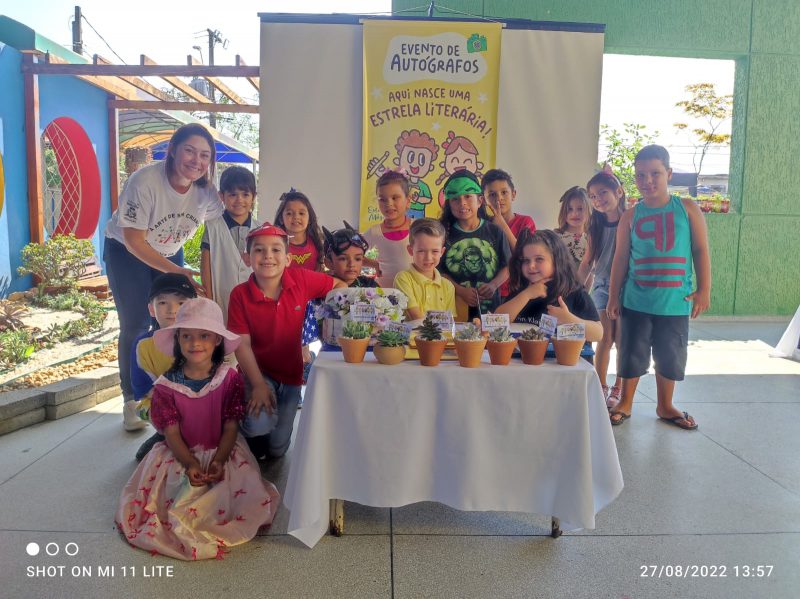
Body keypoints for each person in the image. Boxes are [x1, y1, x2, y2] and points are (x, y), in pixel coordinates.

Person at [115, 298, 280, 560]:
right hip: (179, 453)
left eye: (204, 335)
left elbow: (230, 425)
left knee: (237, 493)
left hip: (222, 449)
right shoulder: (166, 386)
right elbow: (171, 433)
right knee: (168, 501)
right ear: (177, 340)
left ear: (216, 340)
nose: (195, 343)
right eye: (187, 336)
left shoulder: (229, 378)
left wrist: (220, 459)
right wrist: (191, 463)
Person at [103, 123, 223, 431]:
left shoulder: (206, 192)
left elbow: (225, 226)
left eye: (205, 155)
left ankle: (174, 389)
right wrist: (177, 271)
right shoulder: (144, 181)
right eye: (190, 151)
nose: (196, 160)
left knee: (176, 321)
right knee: (136, 323)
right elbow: (134, 240)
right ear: (172, 150)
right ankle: (133, 399)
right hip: (127, 252)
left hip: (171, 254)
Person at [607, 145, 711, 429]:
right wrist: (613, 296)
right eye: (641, 175)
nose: (647, 181)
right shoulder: (630, 216)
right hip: (635, 301)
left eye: (655, 173)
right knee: (631, 354)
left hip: (674, 302)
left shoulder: (687, 209)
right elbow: (620, 259)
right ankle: (625, 402)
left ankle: (665, 406)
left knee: (670, 356)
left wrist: (704, 289)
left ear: (669, 174)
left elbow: (701, 250)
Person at [227, 224, 347, 460]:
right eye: (259, 250)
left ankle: (266, 437)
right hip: (257, 372)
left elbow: (339, 287)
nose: (268, 256)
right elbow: (241, 344)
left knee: (278, 450)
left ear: (288, 258)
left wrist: (329, 319)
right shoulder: (239, 294)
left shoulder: (301, 279)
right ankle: (241, 430)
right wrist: (259, 384)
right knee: (258, 425)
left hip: (292, 375)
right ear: (247, 258)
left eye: (275, 250)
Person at [496, 229, 602, 355]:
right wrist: (526, 295)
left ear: (557, 261)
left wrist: (570, 319)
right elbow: (497, 321)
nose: (531, 266)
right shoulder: (521, 290)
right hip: (525, 364)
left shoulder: (573, 291)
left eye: (539, 259)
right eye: (526, 260)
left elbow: (598, 333)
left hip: (565, 366)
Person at [130, 273, 196, 459]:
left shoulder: (202, 339)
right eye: (162, 303)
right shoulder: (143, 345)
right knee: (157, 412)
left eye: (181, 303)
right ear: (151, 309)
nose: (172, 310)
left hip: (199, 398)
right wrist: (176, 400)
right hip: (161, 400)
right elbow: (143, 387)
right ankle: (163, 436)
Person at [578, 168, 627, 408]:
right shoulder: (595, 226)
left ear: (619, 191)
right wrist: (575, 287)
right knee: (604, 338)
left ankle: (619, 387)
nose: (598, 200)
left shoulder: (631, 219)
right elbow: (588, 261)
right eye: (593, 196)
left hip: (629, 288)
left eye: (603, 193)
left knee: (622, 340)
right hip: (602, 286)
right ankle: (601, 385)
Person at [438, 170, 510, 321]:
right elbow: (438, 270)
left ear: (480, 200)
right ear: (449, 204)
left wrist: (493, 285)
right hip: (456, 311)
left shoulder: (495, 231)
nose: (462, 203)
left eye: (468, 196)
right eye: (455, 199)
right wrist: (460, 290)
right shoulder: (443, 233)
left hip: (491, 312)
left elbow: (508, 266)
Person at [199, 166, 260, 324]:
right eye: (233, 194)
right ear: (221, 196)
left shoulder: (260, 229)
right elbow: (205, 267)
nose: (239, 200)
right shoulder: (212, 227)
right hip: (222, 297)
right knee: (226, 340)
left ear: (254, 197)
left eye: (245, 194)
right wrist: (209, 299)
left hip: (255, 298)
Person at [481, 168, 537, 299]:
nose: (499, 198)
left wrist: (502, 224)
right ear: (483, 199)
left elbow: (524, 255)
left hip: (517, 291)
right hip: (489, 291)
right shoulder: (483, 224)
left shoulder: (526, 222)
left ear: (513, 194)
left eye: (504, 192)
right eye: (492, 194)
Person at [394, 218, 456, 320]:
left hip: (441, 335)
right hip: (412, 335)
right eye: (421, 251)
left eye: (435, 251)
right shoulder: (403, 278)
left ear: (442, 252)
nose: (428, 258)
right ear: (410, 250)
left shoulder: (448, 286)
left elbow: (449, 321)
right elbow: (416, 317)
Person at [362, 170, 414, 288]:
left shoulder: (418, 228)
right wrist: (374, 264)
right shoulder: (374, 232)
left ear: (408, 201)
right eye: (382, 199)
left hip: (414, 293)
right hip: (386, 295)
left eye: (395, 198)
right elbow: (354, 253)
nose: (388, 203)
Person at [322, 222, 378, 288]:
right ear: (329, 263)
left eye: (357, 259)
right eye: (343, 259)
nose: (351, 264)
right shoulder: (321, 288)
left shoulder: (370, 285)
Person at [554, 186, 591, 271]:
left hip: (584, 282)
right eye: (570, 209)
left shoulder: (591, 237)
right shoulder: (555, 237)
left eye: (580, 209)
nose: (575, 213)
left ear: (588, 211)